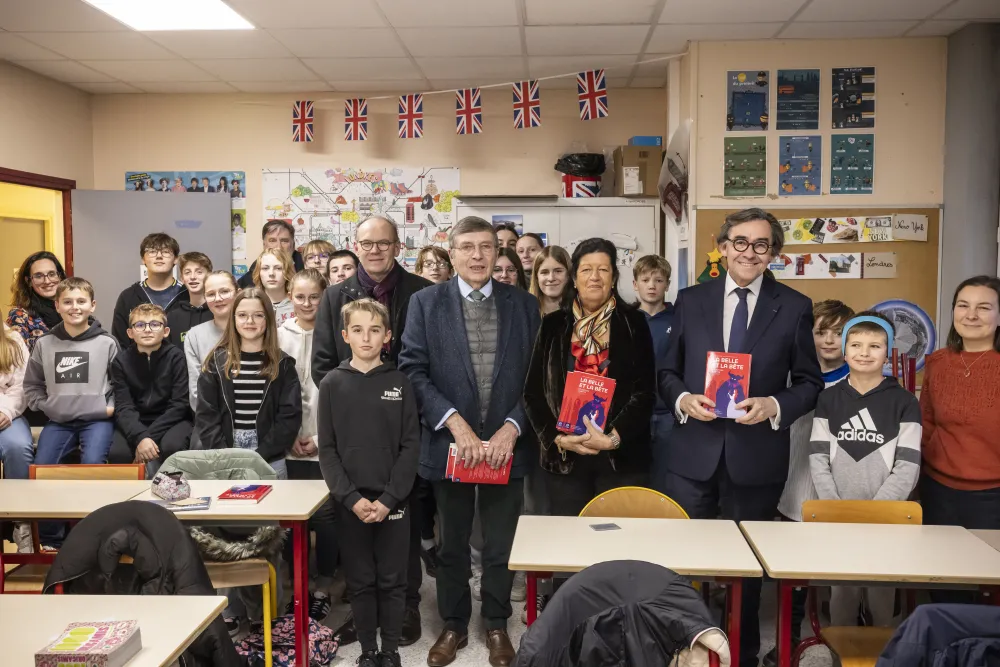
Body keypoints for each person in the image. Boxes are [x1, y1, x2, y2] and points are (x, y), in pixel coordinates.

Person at [657, 208, 823, 667]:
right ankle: (686, 647)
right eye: (741, 242)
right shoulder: (691, 300)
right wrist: (683, 398)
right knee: (685, 564)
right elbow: (667, 372)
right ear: (723, 247)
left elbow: (809, 383)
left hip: (756, 457)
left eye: (761, 244)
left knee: (747, 570)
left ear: (773, 254)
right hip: (694, 456)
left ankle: (742, 654)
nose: (749, 252)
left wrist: (774, 407)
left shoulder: (793, 306)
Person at [399, 216, 541, 667]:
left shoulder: (524, 305)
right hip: (450, 445)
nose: (478, 256)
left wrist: (513, 427)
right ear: (452, 252)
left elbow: (539, 379)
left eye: (486, 248)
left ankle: (497, 623)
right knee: (452, 544)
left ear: (499, 254)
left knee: (501, 543)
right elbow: (413, 369)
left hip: (507, 444)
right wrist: (453, 422)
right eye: (468, 247)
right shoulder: (425, 303)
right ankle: (455, 625)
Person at [313, 215, 431, 646]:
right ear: (355, 245)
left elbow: (428, 361)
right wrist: (355, 398)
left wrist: (394, 398)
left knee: (404, 524)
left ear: (398, 246)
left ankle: (406, 610)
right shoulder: (333, 296)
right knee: (360, 545)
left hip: (405, 421)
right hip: (353, 428)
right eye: (367, 243)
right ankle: (364, 619)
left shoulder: (421, 291)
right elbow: (322, 361)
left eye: (384, 242)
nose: (376, 249)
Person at [318, 298, 420, 667]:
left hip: (394, 502)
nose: (366, 337)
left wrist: (391, 497)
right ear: (345, 335)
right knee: (360, 581)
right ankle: (367, 651)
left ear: (387, 336)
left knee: (394, 581)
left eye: (375, 330)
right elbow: (326, 451)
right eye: (358, 330)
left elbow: (411, 446)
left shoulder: (400, 383)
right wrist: (350, 497)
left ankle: (390, 651)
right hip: (351, 504)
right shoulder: (332, 384)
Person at [524, 238, 656, 516]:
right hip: (565, 458)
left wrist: (613, 439)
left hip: (620, 459)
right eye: (586, 270)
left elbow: (645, 391)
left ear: (613, 277)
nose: (594, 277)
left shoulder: (634, 322)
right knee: (570, 545)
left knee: (617, 546)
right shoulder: (552, 325)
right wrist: (558, 439)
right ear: (574, 277)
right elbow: (533, 392)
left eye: (603, 270)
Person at [809, 311, 921, 628]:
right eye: (856, 345)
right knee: (842, 594)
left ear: (887, 353)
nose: (864, 352)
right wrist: (835, 506)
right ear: (845, 351)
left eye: (875, 346)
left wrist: (875, 511)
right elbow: (817, 457)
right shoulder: (828, 399)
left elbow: (908, 465)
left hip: (885, 519)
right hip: (838, 515)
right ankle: (840, 654)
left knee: (881, 597)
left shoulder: (905, 401)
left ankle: (883, 654)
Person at [760, 299, 854, 667]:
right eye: (821, 332)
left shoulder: (858, 379)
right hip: (796, 483)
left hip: (842, 489)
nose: (829, 340)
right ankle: (789, 641)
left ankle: (848, 638)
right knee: (794, 575)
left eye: (838, 332)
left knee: (840, 572)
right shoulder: (794, 377)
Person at [278, 269, 337, 619]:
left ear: (324, 295)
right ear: (289, 295)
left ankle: (323, 586)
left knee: (327, 518)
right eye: (299, 296)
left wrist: (317, 439)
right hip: (287, 443)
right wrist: (291, 439)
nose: (307, 303)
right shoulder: (279, 334)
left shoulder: (334, 335)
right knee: (288, 521)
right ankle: (295, 586)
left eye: (314, 296)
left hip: (325, 440)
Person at [195, 288, 301, 479]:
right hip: (223, 458)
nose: (249, 322)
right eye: (242, 315)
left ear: (268, 319)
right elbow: (206, 415)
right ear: (233, 318)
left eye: (258, 315)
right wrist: (224, 456)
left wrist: (259, 456)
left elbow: (289, 418)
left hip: (269, 459)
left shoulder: (283, 365)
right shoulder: (216, 362)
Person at [920, 275, 1000, 531]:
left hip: (993, 497)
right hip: (937, 492)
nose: (971, 315)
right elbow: (926, 425)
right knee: (938, 568)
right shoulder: (938, 362)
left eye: (984, 307)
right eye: (963, 305)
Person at [108, 304, 192, 478]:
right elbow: (124, 406)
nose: (147, 330)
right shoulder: (120, 362)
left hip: (172, 419)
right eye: (140, 325)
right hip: (136, 420)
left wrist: (147, 438)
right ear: (130, 333)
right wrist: (140, 436)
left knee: (172, 446)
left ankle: (172, 492)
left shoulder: (177, 357)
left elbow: (179, 404)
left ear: (166, 331)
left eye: (154, 324)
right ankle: (126, 499)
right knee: (118, 452)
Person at [632, 255, 677, 495]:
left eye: (659, 280)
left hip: (668, 413)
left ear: (667, 285)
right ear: (634, 284)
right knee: (635, 478)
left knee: (665, 480)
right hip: (634, 413)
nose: (652, 285)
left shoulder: (679, 319)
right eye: (645, 279)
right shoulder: (625, 319)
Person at [112, 233, 190, 349]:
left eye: (166, 252)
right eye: (152, 252)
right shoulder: (128, 296)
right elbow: (121, 343)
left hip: (181, 365)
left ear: (176, 259)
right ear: (143, 259)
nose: (159, 256)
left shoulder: (188, 295)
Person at [0, 321, 34, 552]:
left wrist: (5, 411)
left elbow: (20, 387)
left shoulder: (13, 340)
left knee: (18, 447)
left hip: (7, 414)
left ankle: (22, 523)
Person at [185, 271, 238, 410]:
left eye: (225, 291)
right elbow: (196, 390)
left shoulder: (252, 330)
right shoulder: (194, 336)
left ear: (238, 293)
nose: (218, 298)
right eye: (211, 294)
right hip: (210, 421)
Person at [7, 251, 68, 352]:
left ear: (60, 276)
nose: (47, 281)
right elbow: (18, 359)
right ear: (29, 281)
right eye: (38, 276)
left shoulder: (73, 309)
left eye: (52, 274)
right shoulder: (19, 315)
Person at [238, 220, 305, 288]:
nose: (278, 247)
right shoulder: (255, 270)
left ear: (293, 245)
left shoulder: (307, 266)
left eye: (284, 241)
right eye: (272, 241)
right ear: (264, 245)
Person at [168, 251, 213, 347]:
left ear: (209, 276)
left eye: (199, 272)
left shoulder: (218, 312)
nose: (193, 277)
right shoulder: (172, 317)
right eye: (187, 272)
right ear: (182, 278)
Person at [252, 248, 295, 326]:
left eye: (278, 268)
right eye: (265, 268)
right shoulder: (251, 303)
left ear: (288, 271)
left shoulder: (298, 303)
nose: (271, 273)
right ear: (259, 272)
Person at [528, 246, 571, 317]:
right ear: (536, 276)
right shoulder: (524, 310)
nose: (551, 278)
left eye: (558, 271)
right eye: (544, 272)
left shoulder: (581, 311)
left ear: (568, 274)